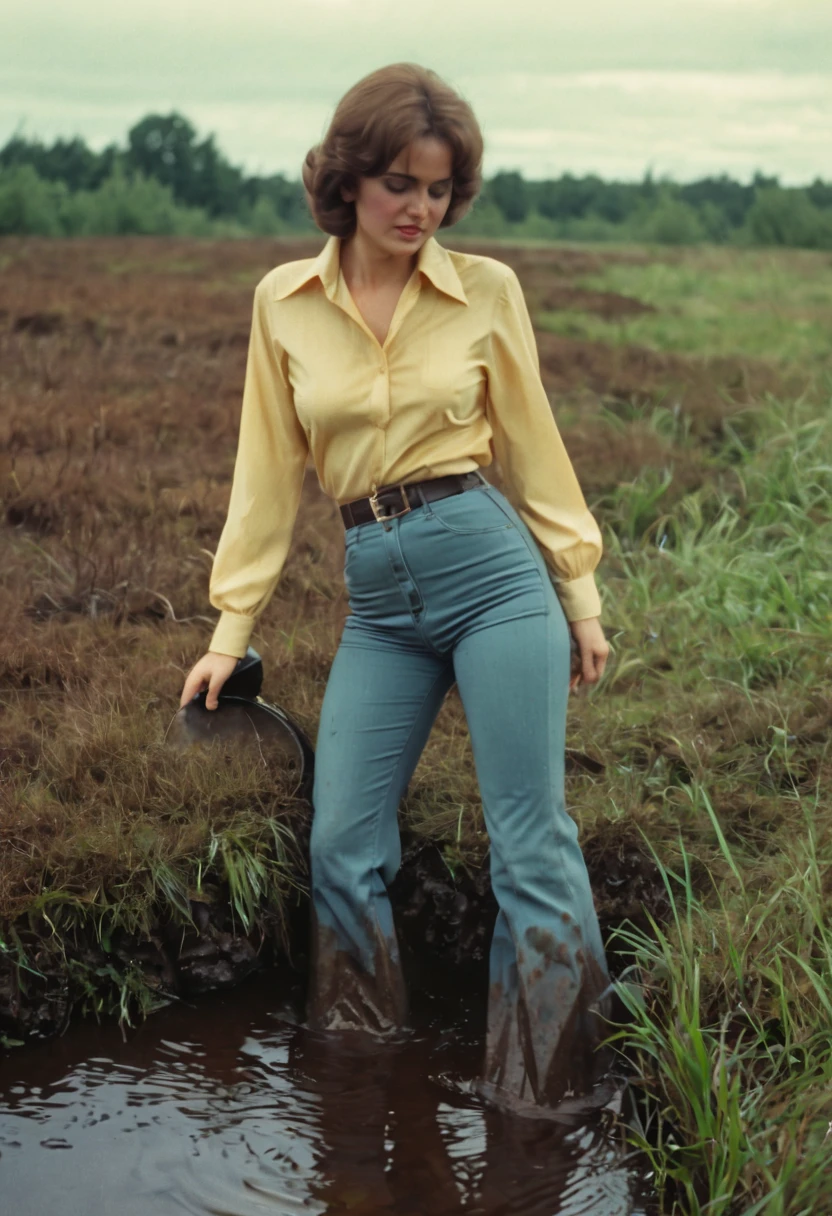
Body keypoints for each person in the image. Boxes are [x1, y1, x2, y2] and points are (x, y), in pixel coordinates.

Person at [180, 63, 613, 1112]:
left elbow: (532, 444)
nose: (419, 208)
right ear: (346, 181)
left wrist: (579, 594)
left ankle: (545, 1093)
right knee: (340, 840)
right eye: (398, 184)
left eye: (437, 188)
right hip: (377, 595)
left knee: (527, 838)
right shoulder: (281, 304)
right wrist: (230, 628)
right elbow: (267, 472)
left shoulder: (487, 292)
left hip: (490, 575)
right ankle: (362, 1063)